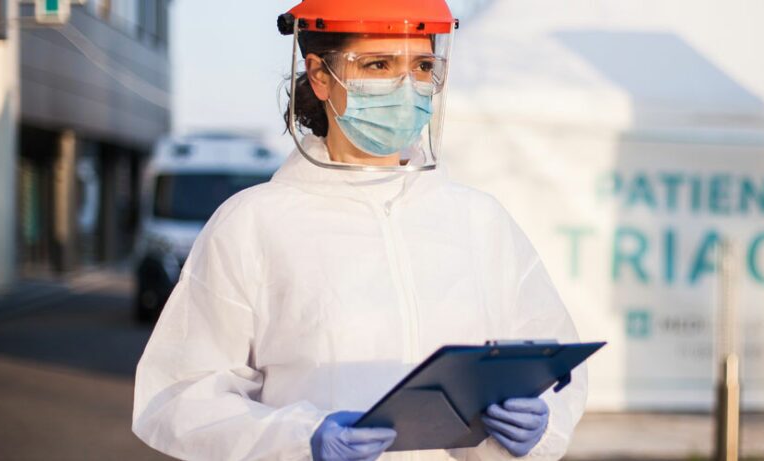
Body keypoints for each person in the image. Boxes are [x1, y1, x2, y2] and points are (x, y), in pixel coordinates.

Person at [131, 0, 587, 459]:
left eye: (422, 66)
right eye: (378, 65)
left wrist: (542, 420)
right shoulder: (254, 224)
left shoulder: (479, 221)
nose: (407, 87)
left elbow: (553, 360)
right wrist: (302, 438)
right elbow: (180, 396)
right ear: (320, 75)